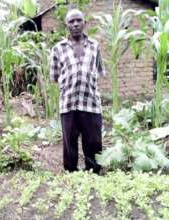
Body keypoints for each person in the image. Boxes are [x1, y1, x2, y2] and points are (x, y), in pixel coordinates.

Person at [50, 9, 105, 174]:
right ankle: (71, 173)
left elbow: (99, 70)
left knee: (93, 140)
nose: (75, 24)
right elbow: (54, 76)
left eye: (78, 20)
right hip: (68, 102)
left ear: (84, 23)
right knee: (69, 142)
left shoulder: (94, 46)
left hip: (91, 102)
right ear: (67, 25)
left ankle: (94, 171)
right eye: (71, 21)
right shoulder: (58, 49)